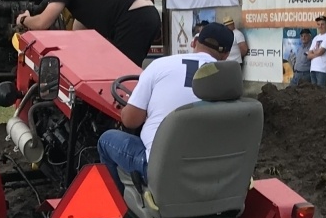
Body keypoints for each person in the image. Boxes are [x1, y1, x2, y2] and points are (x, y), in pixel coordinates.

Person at [97, 21, 235, 185]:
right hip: (213, 171)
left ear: (195, 42)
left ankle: (122, 206)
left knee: (106, 140)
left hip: (162, 170)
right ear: (226, 54)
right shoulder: (229, 83)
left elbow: (130, 120)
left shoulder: (160, 65)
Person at [14, 0, 161, 65]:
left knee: (122, 75)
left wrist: (24, 19)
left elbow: (41, 23)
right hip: (150, 14)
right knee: (130, 73)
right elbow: (79, 36)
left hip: (134, 16)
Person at [306, 15, 326, 88]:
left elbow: (320, 52)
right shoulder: (316, 38)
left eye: (322, 24)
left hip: (323, 69)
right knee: (314, 93)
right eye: (318, 24)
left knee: (321, 94)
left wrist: (315, 52)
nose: (320, 26)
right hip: (313, 68)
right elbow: (308, 56)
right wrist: (317, 53)